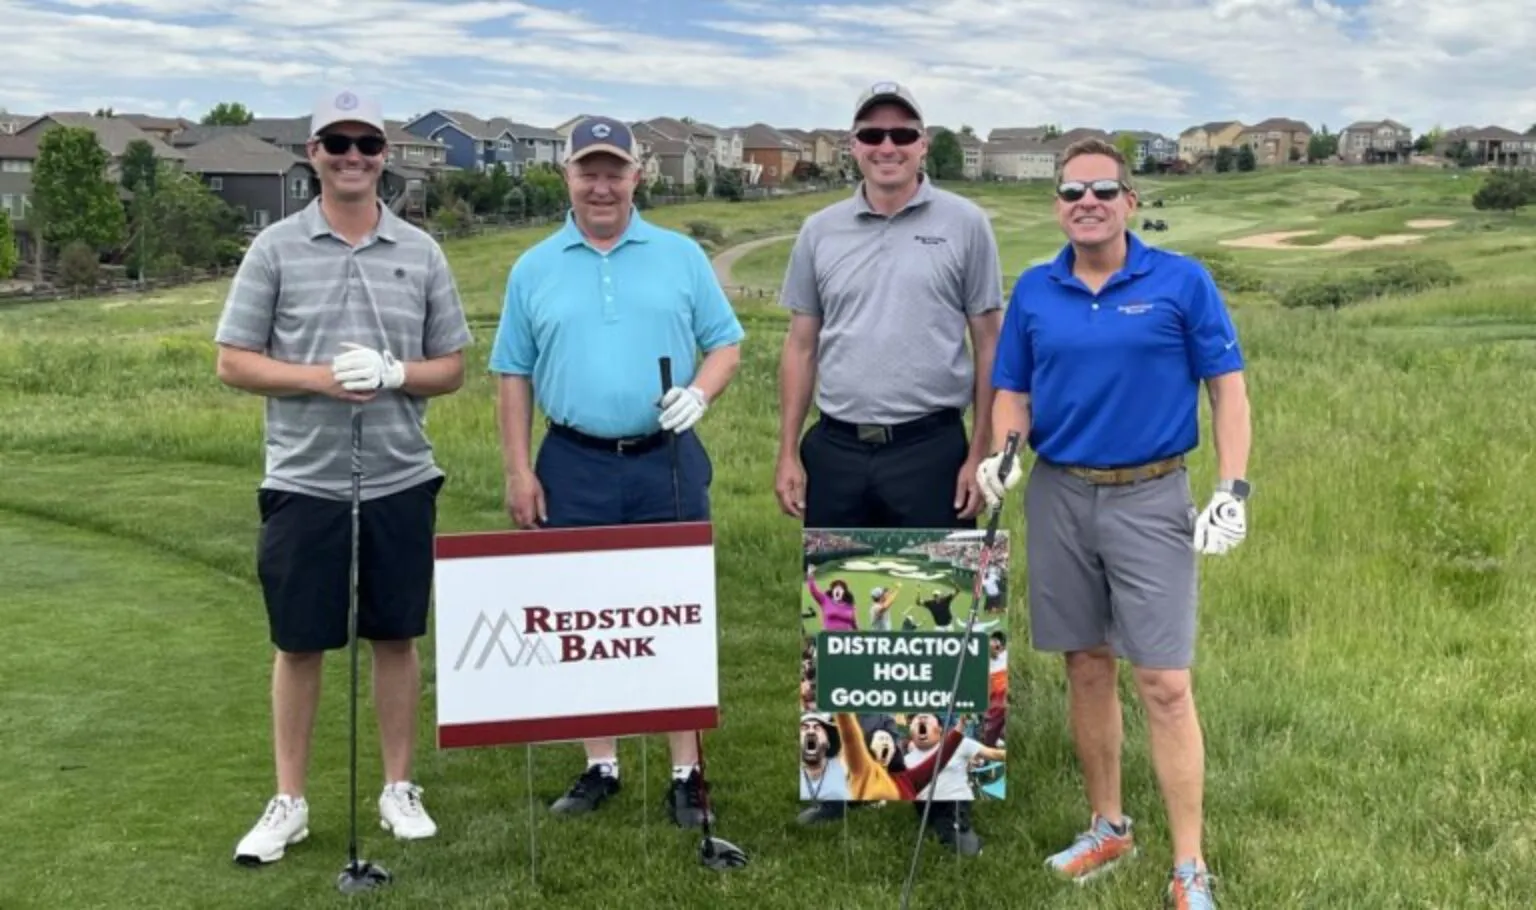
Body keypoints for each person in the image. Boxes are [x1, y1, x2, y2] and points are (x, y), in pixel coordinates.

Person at [976, 136, 1251, 910]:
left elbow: (1227, 390)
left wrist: (1233, 488)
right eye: (1071, 192)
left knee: (1163, 682)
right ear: (1056, 205)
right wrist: (1005, 451)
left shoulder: (1180, 282)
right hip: (1061, 494)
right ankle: (1108, 826)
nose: (1086, 203)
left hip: (1152, 495)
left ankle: (1189, 863)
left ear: (1131, 201)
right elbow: (1014, 392)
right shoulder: (1035, 290)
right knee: (1087, 665)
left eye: (1102, 190)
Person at [216, 88, 472, 865]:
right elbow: (234, 361)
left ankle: (399, 787)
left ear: (385, 157)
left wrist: (397, 372)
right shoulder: (275, 249)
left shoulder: (421, 252)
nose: (353, 156)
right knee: (300, 644)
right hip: (304, 478)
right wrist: (319, 380)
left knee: (395, 635)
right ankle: (289, 800)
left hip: (398, 475)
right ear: (313, 154)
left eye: (367, 144)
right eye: (337, 144)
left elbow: (453, 367)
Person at [488, 115, 744, 829]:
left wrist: (700, 391)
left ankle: (687, 772)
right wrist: (517, 469)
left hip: (665, 456)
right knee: (582, 615)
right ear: (566, 176)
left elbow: (725, 345)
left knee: (674, 613)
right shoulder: (534, 267)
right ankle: (601, 761)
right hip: (571, 460)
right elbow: (512, 373)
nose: (601, 186)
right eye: (587, 172)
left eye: (614, 171)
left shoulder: (680, 255)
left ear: (638, 176)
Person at [774, 80, 1004, 842]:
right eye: (872, 135)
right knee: (839, 620)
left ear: (924, 143)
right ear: (853, 146)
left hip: (930, 445)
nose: (887, 148)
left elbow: (988, 344)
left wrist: (979, 451)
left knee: (935, 624)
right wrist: (789, 449)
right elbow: (802, 343)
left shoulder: (965, 225)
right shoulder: (821, 231)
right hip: (838, 447)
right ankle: (842, 774)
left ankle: (948, 791)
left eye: (901, 135)